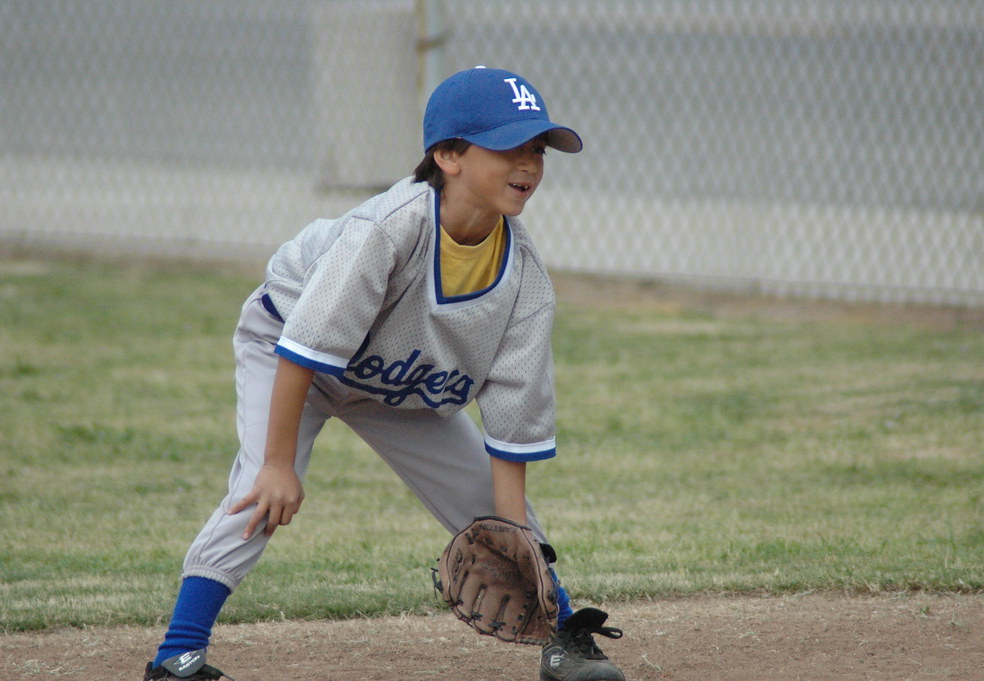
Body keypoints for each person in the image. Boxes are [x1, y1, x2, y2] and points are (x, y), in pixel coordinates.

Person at [143, 66, 626, 681]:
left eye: (537, 148)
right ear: (448, 154)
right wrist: (278, 462)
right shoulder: (388, 230)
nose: (528, 163)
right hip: (292, 353)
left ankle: (562, 640)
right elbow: (305, 344)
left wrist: (508, 528)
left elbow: (513, 416)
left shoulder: (526, 281)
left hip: (396, 388)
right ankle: (176, 657)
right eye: (508, 146)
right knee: (258, 493)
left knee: (504, 519)